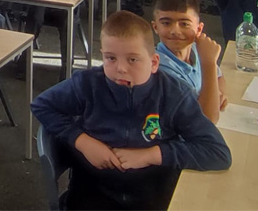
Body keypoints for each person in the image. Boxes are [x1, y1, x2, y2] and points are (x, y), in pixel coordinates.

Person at [31, 11, 232, 210]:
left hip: (154, 194)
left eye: (132, 60)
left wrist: (151, 155)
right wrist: (82, 141)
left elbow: (217, 152)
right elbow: (42, 105)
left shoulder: (173, 94)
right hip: (93, 193)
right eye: (111, 58)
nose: (120, 69)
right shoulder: (87, 84)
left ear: (153, 63)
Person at [151, 0, 226, 123]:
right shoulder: (159, 67)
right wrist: (209, 63)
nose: (175, 31)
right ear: (156, 27)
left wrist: (219, 93)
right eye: (166, 23)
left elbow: (219, 77)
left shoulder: (197, 49)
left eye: (184, 24)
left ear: (199, 29)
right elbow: (207, 120)